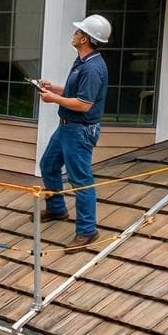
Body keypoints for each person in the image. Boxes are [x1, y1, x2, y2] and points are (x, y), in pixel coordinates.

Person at [36, 14, 112, 250]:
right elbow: (74, 93)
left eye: (78, 32)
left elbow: (84, 104)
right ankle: (57, 208)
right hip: (67, 127)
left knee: (81, 181)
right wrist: (53, 88)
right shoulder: (81, 61)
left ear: (85, 39)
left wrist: (53, 99)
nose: (74, 34)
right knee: (48, 165)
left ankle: (87, 231)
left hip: (80, 131)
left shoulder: (92, 68)